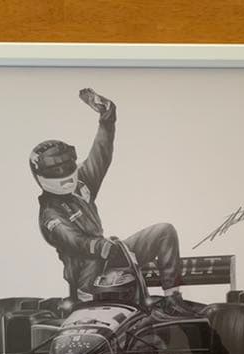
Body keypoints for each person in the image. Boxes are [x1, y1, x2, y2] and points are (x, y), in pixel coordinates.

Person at [29, 88, 196, 316]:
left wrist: (107, 119)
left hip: (112, 256)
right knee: (92, 264)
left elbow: (101, 154)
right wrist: (100, 246)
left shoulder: (82, 184)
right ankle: (87, 306)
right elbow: (74, 240)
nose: (62, 172)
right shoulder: (50, 214)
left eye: (65, 166)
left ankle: (173, 299)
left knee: (164, 231)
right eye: (55, 169)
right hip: (87, 277)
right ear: (41, 175)